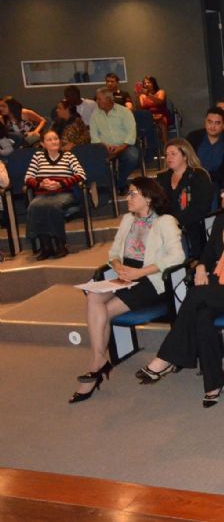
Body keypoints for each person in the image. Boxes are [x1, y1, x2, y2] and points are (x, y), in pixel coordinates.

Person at [136, 174, 224, 407]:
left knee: (196, 294)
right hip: (220, 287)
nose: (222, 194)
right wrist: (202, 267)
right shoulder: (222, 221)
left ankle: (167, 358)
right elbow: (207, 254)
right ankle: (214, 382)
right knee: (203, 316)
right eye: (223, 190)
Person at [70, 177, 184, 403]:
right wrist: (117, 266)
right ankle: (99, 360)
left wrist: (140, 273)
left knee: (102, 312)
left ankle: (95, 366)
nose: (127, 198)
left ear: (148, 198)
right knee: (93, 296)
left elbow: (177, 256)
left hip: (151, 281)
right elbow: (113, 253)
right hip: (125, 276)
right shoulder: (127, 220)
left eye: (133, 194)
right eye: (128, 193)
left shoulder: (165, 221)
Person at [24, 129, 86, 259]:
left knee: (53, 206)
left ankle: (60, 244)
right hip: (43, 193)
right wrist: (41, 184)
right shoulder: (38, 157)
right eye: (49, 140)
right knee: (34, 206)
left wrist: (60, 184)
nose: (54, 142)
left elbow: (81, 174)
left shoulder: (69, 156)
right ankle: (46, 246)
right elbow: (28, 178)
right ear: (43, 144)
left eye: (56, 139)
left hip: (64, 192)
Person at [156, 139, 214, 259]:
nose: (169, 158)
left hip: (193, 227)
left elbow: (201, 207)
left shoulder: (199, 175)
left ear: (185, 155)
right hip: (167, 228)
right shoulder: (162, 177)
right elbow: (157, 204)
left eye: (173, 154)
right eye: (167, 155)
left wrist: (175, 222)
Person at [90, 88, 139, 193]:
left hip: (124, 146)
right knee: (93, 159)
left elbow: (131, 133)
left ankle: (119, 183)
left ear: (109, 99)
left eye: (99, 99)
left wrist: (121, 147)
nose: (97, 101)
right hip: (103, 147)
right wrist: (105, 146)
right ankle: (106, 187)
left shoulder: (124, 112)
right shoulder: (95, 114)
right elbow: (94, 136)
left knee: (133, 156)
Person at [186, 107, 224, 193]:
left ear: (223, 124)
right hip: (192, 183)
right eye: (210, 122)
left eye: (217, 123)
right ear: (205, 121)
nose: (212, 126)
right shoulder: (193, 138)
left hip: (218, 187)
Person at [137, 76, 172, 145]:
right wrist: (137, 96)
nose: (146, 84)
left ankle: (165, 144)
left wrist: (149, 94)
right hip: (148, 117)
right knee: (144, 123)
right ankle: (150, 146)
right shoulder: (142, 96)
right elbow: (139, 108)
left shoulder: (160, 92)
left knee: (161, 122)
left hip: (161, 114)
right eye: (144, 83)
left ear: (153, 83)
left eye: (148, 82)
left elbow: (160, 102)